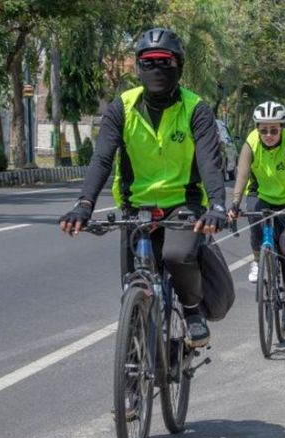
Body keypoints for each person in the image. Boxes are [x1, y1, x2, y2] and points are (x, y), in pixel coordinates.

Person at [58, 27, 227, 348]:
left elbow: (209, 161)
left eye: (165, 61)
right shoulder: (121, 108)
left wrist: (217, 205)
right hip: (136, 208)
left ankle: (192, 312)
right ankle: (136, 368)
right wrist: (84, 204)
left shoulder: (196, 109)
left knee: (177, 256)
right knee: (131, 290)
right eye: (148, 62)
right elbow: (102, 158)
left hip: (184, 205)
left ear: (179, 65)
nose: (156, 68)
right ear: (137, 67)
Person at [228, 101, 285, 330]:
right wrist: (234, 203)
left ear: (281, 128)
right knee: (255, 219)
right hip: (260, 192)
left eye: (274, 130)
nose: (269, 135)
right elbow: (241, 175)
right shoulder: (250, 143)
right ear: (257, 129)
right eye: (264, 130)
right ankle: (257, 261)